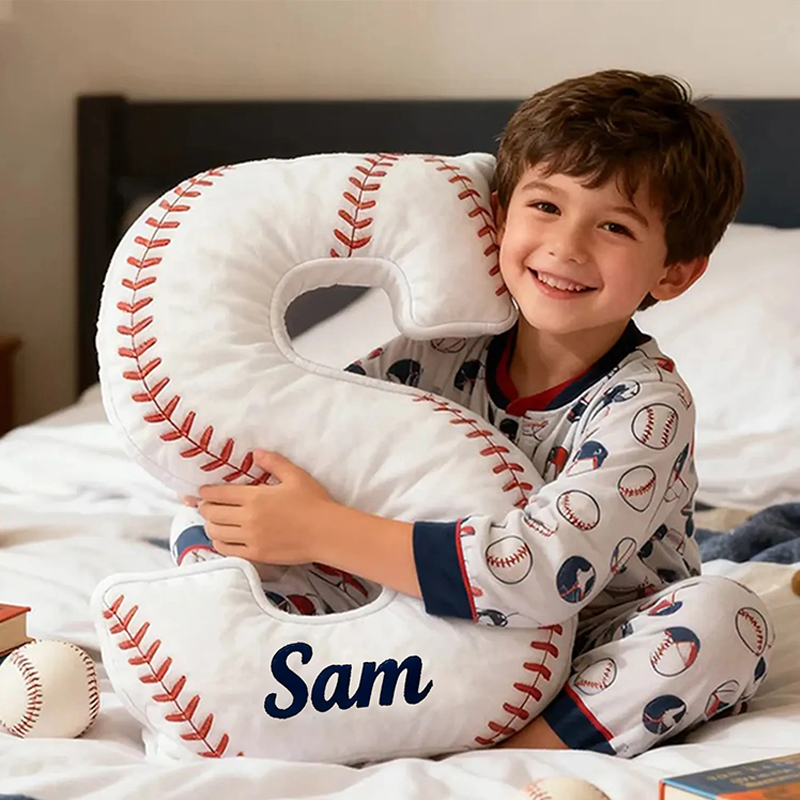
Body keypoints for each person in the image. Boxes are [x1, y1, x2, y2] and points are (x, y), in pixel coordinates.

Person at [174, 70, 774, 757]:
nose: (567, 246)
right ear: (498, 214)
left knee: (725, 618)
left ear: (674, 272)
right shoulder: (433, 352)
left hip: (584, 649)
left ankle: (515, 755)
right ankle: (295, 701)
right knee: (210, 519)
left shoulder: (645, 406)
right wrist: (284, 519)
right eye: (545, 207)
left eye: (613, 225)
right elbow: (324, 437)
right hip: (421, 623)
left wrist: (321, 529)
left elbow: (546, 573)